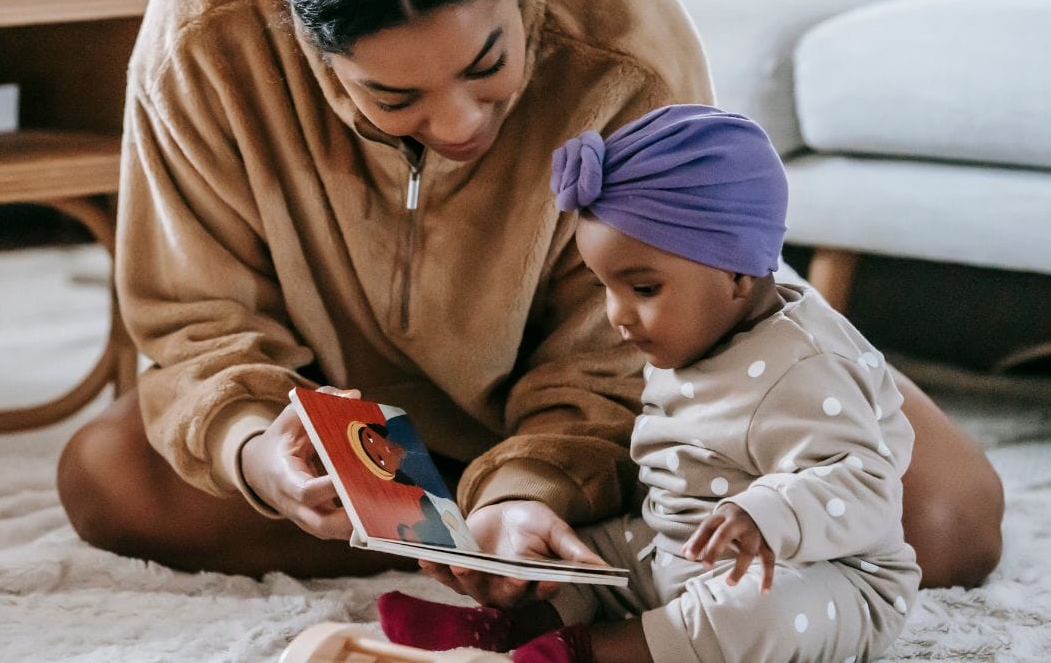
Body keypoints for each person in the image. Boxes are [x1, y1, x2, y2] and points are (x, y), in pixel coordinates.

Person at [55, 0, 1004, 590]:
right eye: (395, 100)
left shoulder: (624, 35)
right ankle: (551, 547)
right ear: (306, 40)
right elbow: (197, 321)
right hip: (355, 407)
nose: (458, 123)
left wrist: (531, 482)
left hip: (637, 400)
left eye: (489, 67)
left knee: (942, 521)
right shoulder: (202, 42)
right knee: (106, 478)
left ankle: (541, 530)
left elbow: (629, 336)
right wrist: (259, 451)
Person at [378, 104, 920, 663]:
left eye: (642, 289)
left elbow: (866, 486)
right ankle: (511, 628)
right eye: (605, 287)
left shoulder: (805, 365)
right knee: (580, 553)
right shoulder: (694, 331)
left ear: (737, 271)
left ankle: (589, 652)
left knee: (755, 614)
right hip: (677, 547)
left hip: (818, 574)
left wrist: (767, 514)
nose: (618, 314)